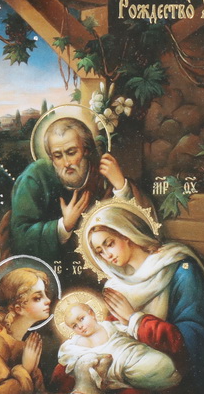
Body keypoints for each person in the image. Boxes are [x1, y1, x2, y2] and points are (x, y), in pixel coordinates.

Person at [74, 200, 204, 394]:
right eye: (99, 251)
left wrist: (136, 320)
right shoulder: (116, 287)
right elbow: (110, 337)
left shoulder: (180, 269)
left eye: (109, 243)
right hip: (138, 375)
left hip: (182, 383)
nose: (107, 255)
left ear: (127, 234)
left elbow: (196, 340)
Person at [9, 106, 148, 275]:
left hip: (102, 267)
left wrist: (121, 186)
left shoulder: (102, 173)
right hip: (52, 271)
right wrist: (63, 226)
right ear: (51, 158)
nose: (66, 163)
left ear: (86, 150)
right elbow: (20, 238)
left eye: (71, 152)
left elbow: (140, 224)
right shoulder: (35, 177)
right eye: (58, 156)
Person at [57, 301, 181, 391]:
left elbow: (131, 332)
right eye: (74, 326)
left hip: (134, 352)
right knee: (143, 371)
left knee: (159, 361)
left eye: (81, 319)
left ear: (92, 314)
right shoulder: (74, 345)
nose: (80, 326)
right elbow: (73, 362)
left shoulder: (110, 325)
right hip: (123, 368)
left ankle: (168, 374)